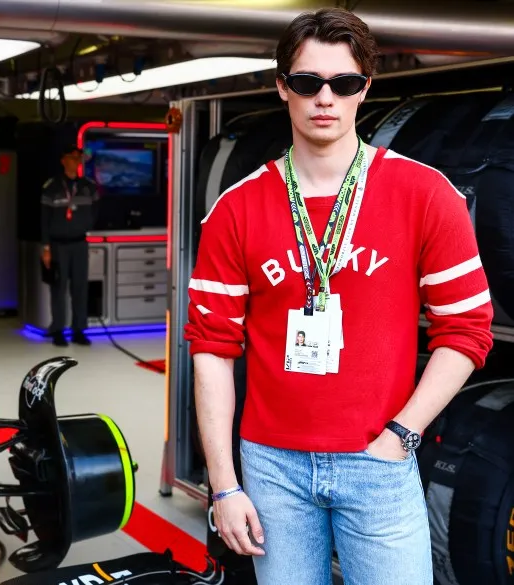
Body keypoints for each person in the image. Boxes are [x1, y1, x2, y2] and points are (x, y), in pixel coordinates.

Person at [184, 7, 494, 585]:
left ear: (364, 89)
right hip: (271, 466)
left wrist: (403, 434)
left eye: (343, 82)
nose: (324, 98)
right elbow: (212, 348)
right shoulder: (236, 209)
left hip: (379, 462)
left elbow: (467, 331)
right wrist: (223, 483)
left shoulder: (426, 195)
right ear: (282, 87)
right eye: (307, 82)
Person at [40, 144, 100, 347]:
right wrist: (46, 247)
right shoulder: (52, 187)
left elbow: (96, 211)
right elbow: (44, 219)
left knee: (80, 288)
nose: (76, 161)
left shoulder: (88, 186)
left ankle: (78, 330)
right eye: (72, 157)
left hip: (79, 244)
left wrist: (86, 225)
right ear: (63, 160)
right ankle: (58, 329)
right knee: (58, 288)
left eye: (78, 158)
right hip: (58, 245)